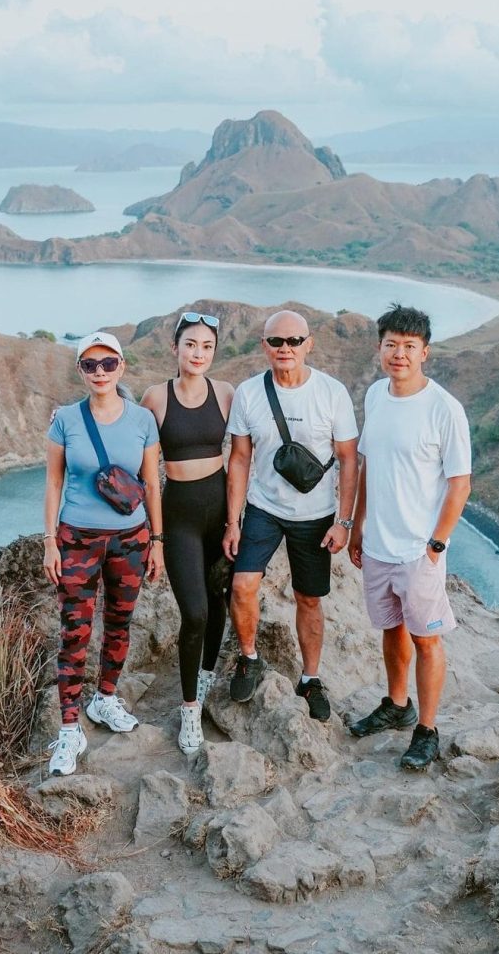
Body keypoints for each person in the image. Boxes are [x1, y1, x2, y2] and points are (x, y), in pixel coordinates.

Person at [348, 304, 471, 771]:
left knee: (426, 639)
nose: (398, 354)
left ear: (425, 352)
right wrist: (357, 525)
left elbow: (460, 483)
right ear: (380, 348)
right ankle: (397, 705)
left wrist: (436, 545)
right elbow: (367, 464)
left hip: (419, 550)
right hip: (378, 544)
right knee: (392, 629)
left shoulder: (444, 409)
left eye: (408, 346)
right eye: (391, 345)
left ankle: (427, 729)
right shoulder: (376, 396)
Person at [223, 309, 358, 721]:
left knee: (309, 598)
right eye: (276, 341)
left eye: (294, 341)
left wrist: (343, 522)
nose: (286, 348)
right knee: (242, 586)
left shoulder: (332, 393)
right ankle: (249, 657)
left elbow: (348, 460)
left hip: (316, 515)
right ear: (264, 346)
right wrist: (232, 521)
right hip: (264, 508)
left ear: (308, 344)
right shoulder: (249, 393)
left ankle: (310, 678)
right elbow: (240, 458)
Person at [43, 330, 163, 776]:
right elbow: (54, 482)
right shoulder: (65, 420)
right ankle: (69, 729)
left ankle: (105, 698)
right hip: (77, 539)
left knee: (119, 622)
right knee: (74, 632)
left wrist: (157, 542)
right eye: (90, 365)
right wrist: (50, 541)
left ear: (121, 366)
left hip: (130, 539)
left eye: (108, 363)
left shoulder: (142, 420)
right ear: (80, 370)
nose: (100, 372)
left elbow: (151, 485)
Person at [141, 312, 234, 755]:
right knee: (194, 613)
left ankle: (207, 674)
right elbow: (141, 464)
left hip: (221, 513)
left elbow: (248, 448)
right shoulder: (155, 397)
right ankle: (189, 709)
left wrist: (236, 522)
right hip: (179, 516)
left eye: (207, 346)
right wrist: (156, 539)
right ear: (175, 348)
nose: (199, 353)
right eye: (191, 344)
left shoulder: (227, 393)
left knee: (218, 603)